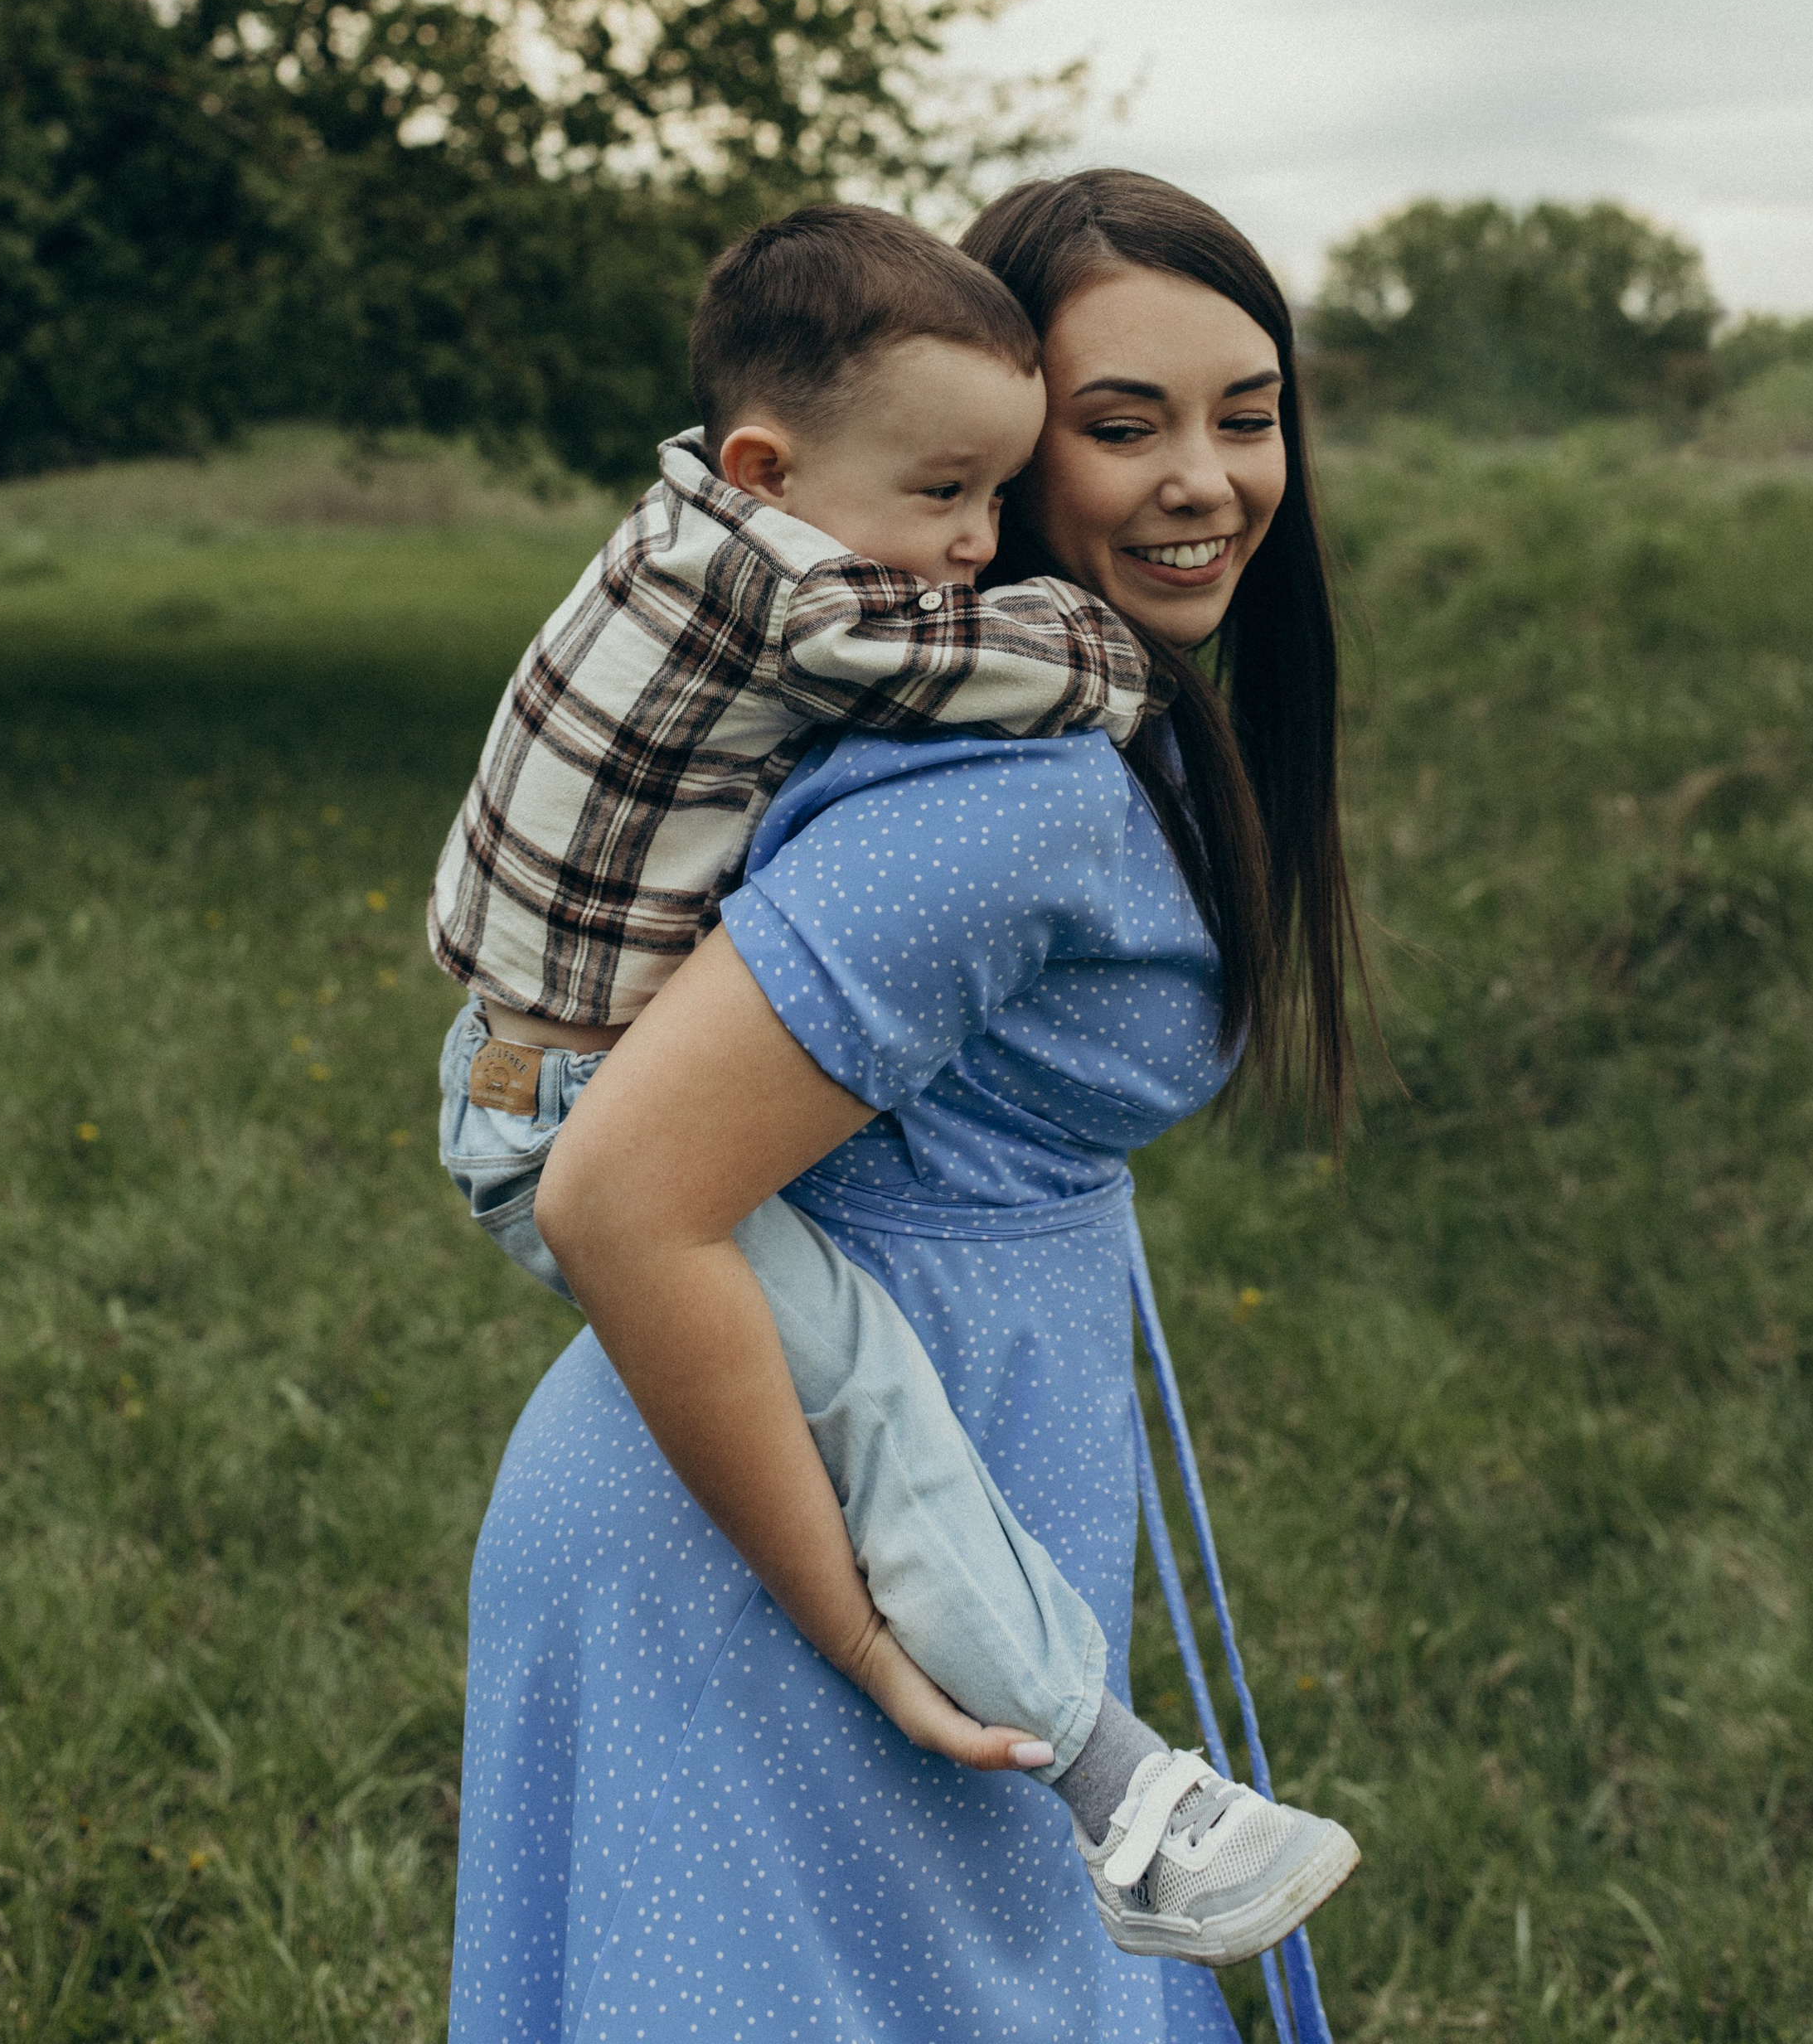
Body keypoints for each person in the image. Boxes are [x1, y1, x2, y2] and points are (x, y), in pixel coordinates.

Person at [444, 169, 1366, 2043]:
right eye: (1124, 426)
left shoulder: (1041, 735)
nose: (1203, 476)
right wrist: (864, 1630)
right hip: (776, 1542)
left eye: (1246, 413)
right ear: (1002, 453)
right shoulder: (998, 800)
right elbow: (615, 1197)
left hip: (925, 1469)